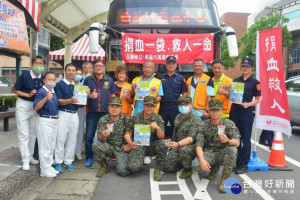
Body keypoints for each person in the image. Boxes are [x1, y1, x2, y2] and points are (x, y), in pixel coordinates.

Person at [192, 99, 240, 193]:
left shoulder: (228, 124)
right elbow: (199, 145)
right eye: (212, 110)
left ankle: (224, 180)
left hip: (223, 153)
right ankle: (214, 168)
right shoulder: (203, 125)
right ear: (209, 111)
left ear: (222, 111)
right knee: (196, 165)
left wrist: (228, 141)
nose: (215, 113)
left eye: (217, 110)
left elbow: (237, 142)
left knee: (232, 150)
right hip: (210, 153)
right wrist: (202, 160)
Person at [12, 55, 45, 170]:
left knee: (33, 133)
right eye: (36, 63)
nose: (38, 66)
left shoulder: (43, 77)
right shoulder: (25, 76)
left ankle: (30, 156)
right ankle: (25, 159)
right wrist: (27, 94)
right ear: (32, 64)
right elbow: (14, 89)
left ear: (44, 65)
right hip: (23, 105)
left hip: (35, 107)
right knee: (23, 134)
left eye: (41, 64)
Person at [124, 96, 168, 181]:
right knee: (133, 168)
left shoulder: (158, 118)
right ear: (143, 106)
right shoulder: (135, 117)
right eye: (147, 105)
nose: (149, 107)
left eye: (151, 106)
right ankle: (139, 158)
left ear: (155, 107)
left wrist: (158, 128)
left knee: (163, 144)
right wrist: (130, 143)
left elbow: (161, 137)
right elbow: (127, 135)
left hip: (151, 145)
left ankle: (158, 169)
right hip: (138, 145)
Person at [229, 58, 261, 174]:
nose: (245, 68)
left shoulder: (255, 83)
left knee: (245, 138)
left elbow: (257, 99)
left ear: (252, 68)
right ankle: (237, 161)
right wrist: (229, 88)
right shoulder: (236, 80)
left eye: (248, 66)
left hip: (246, 113)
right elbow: (231, 95)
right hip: (234, 111)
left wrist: (249, 104)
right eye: (243, 66)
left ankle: (244, 163)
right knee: (234, 137)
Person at [83, 59, 117, 168]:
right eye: (96, 66)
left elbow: (113, 95)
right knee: (89, 136)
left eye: (100, 66)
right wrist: (88, 96)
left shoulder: (110, 80)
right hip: (92, 112)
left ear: (104, 68)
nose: (98, 68)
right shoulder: (88, 80)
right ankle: (89, 157)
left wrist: (113, 110)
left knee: (107, 135)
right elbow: (81, 95)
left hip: (106, 113)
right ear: (93, 68)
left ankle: (105, 155)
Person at [130, 60, 164, 164]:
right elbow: (131, 95)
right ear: (142, 68)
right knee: (137, 131)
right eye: (146, 67)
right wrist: (133, 89)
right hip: (138, 109)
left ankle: (147, 154)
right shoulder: (136, 80)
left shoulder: (157, 82)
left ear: (153, 69)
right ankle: (137, 152)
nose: (147, 69)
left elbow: (159, 97)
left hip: (150, 110)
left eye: (150, 67)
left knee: (149, 132)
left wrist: (150, 102)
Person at [162, 96, 201, 179]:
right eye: (181, 104)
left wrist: (178, 144)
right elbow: (175, 134)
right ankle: (182, 161)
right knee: (165, 167)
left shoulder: (196, 119)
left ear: (191, 105)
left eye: (186, 104)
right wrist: (172, 145)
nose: (183, 107)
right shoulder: (178, 117)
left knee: (184, 150)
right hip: (178, 146)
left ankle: (188, 169)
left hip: (191, 147)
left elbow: (191, 138)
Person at [93, 97, 131, 177]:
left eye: (117, 107)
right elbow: (100, 139)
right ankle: (104, 166)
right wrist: (103, 135)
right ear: (108, 107)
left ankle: (125, 162)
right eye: (112, 106)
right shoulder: (103, 120)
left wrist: (129, 145)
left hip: (122, 149)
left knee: (123, 172)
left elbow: (133, 136)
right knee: (96, 144)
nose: (114, 109)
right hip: (109, 147)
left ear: (121, 108)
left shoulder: (127, 120)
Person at [33, 72, 59, 178]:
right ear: (44, 80)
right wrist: (45, 99)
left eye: (53, 80)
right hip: (45, 121)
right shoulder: (41, 92)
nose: (51, 81)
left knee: (51, 146)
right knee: (45, 147)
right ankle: (44, 170)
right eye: (49, 79)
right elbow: (36, 107)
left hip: (54, 121)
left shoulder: (53, 91)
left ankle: (48, 167)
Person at [54, 63, 79, 172]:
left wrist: (87, 95)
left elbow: (81, 102)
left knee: (72, 139)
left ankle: (68, 161)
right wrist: (70, 100)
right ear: (65, 71)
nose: (71, 72)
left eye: (73, 70)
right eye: (69, 70)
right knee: (60, 138)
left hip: (74, 114)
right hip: (63, 113)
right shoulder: (59, 84)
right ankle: (58, 161)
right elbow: (58, 101)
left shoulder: (78, 85)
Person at [158, 56, 188, 138]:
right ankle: (162, 146)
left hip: (175, 107)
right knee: (161, 127)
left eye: (173, 64)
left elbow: (184, 92)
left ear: (176, 65)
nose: (171, 65)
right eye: (169, 64)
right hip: (162, 107)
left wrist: (183, 105)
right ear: (166, 65)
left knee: (175, 127)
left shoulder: (180, 78)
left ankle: (175, 146)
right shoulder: (160, 77)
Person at [74, 68, 85, 160]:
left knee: (80, 131)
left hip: (81, 109)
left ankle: (78, 152)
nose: (78, 75)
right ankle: (69, 152)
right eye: (76, 73)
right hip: (70, 110)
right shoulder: (69, 85)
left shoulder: (83, 86)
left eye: (80, 74)